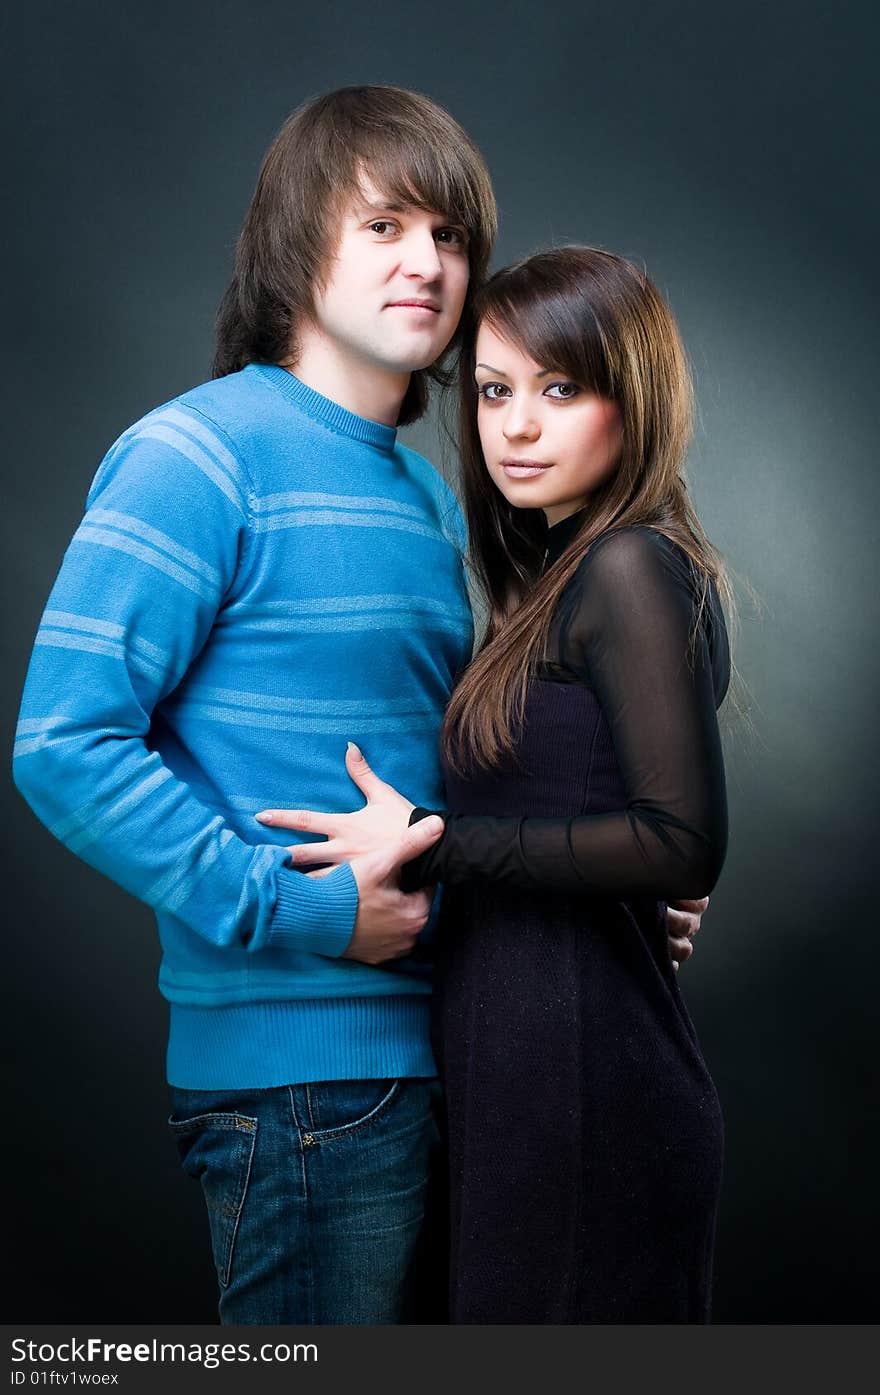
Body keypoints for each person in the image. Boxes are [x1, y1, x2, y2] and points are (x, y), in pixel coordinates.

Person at [14, 83, 706, 1323]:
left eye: (449, 235)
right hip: (303, 1092)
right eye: (383, 225)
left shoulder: (427, 499)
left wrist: (607, 896)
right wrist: (306, 911)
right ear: (294, 242)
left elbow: (453, 784)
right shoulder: (196, 455)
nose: (426, 263)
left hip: (456, 1052)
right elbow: (64, 743)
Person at [259, 246, 730, 1323]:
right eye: (493, 390)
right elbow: (613, 821)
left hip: (580, 1087)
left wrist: (432, 840)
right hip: (520, 1073)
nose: (515, 426)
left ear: (633, 397)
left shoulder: (626, 566)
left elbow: (680, 841)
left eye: (560, 389)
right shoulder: (555, 583)